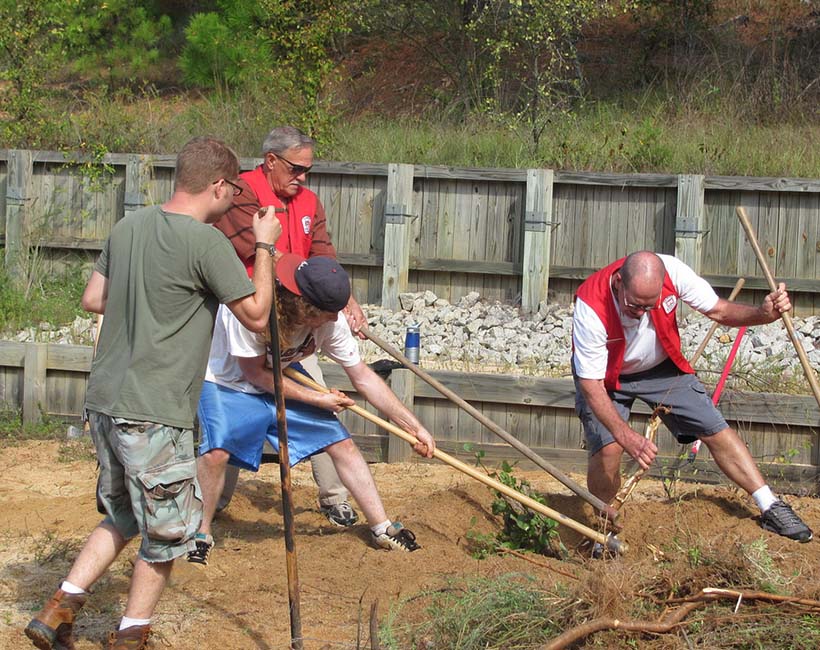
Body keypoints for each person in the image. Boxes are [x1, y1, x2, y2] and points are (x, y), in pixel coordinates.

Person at [24, 136, 282, 650]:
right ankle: (132, 635)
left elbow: (93, 297)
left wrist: (149, 302)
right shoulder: (207, 242)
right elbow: (255, 316)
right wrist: (267, 246)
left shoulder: (128, 226)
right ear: (217, 184)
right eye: (233, 188)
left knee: (122, 513)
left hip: (105, 401)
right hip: (154, 409)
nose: (235, 197)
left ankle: (59, 610)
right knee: (167, 532)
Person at [188, 254, 435, 565]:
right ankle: (199, 533)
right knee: (217, 452)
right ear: (302, 306)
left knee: (341, 443)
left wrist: (413, 427)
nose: (334, 321)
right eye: (326, 314)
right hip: (229, 382)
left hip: (282, 375)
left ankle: (382, 527)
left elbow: (362, 377)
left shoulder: (331, 318)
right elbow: (255, 374)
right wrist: (317, 399)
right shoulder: (252, 310)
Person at [572, 251, 813, 550]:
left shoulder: (672, 271)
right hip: (606, 377)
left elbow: (721, 311)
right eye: (635, 306)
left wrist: (763, 315)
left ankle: (770, 505)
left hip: (661, 369)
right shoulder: (590, 306)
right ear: (619, 282)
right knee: (608, 449)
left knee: (713, 426)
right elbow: (591, 385)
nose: (642, 313)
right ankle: (604, 532)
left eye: (651, 305)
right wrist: (626, 437)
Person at [213, 125, 365, 527]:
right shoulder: (240, 192)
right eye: (296, 169)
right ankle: (213, 504)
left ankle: (335, 498)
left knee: (322, 414)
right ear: (271, 161)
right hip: (249, 317)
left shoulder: (310, 200)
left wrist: (344, 298)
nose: (302, 177)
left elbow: (322, 252)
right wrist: (308, 280)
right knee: (231, 418)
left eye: (307, 170)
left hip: (298, 321)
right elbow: (252, 246)